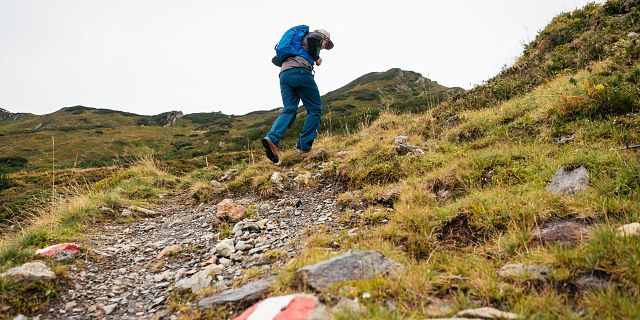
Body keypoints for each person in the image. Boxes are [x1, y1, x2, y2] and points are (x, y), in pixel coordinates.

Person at [261, 28, 334, 164]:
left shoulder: (296, 42)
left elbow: (275, 60)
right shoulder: (315, 36)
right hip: (300, 72)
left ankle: (272, 139)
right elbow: (313, 40)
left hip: (285, 75)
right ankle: (304, 147)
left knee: (289, 109)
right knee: (315, 109)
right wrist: (316, 58)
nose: (324, 48)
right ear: (325, 38)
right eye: (326, 44)